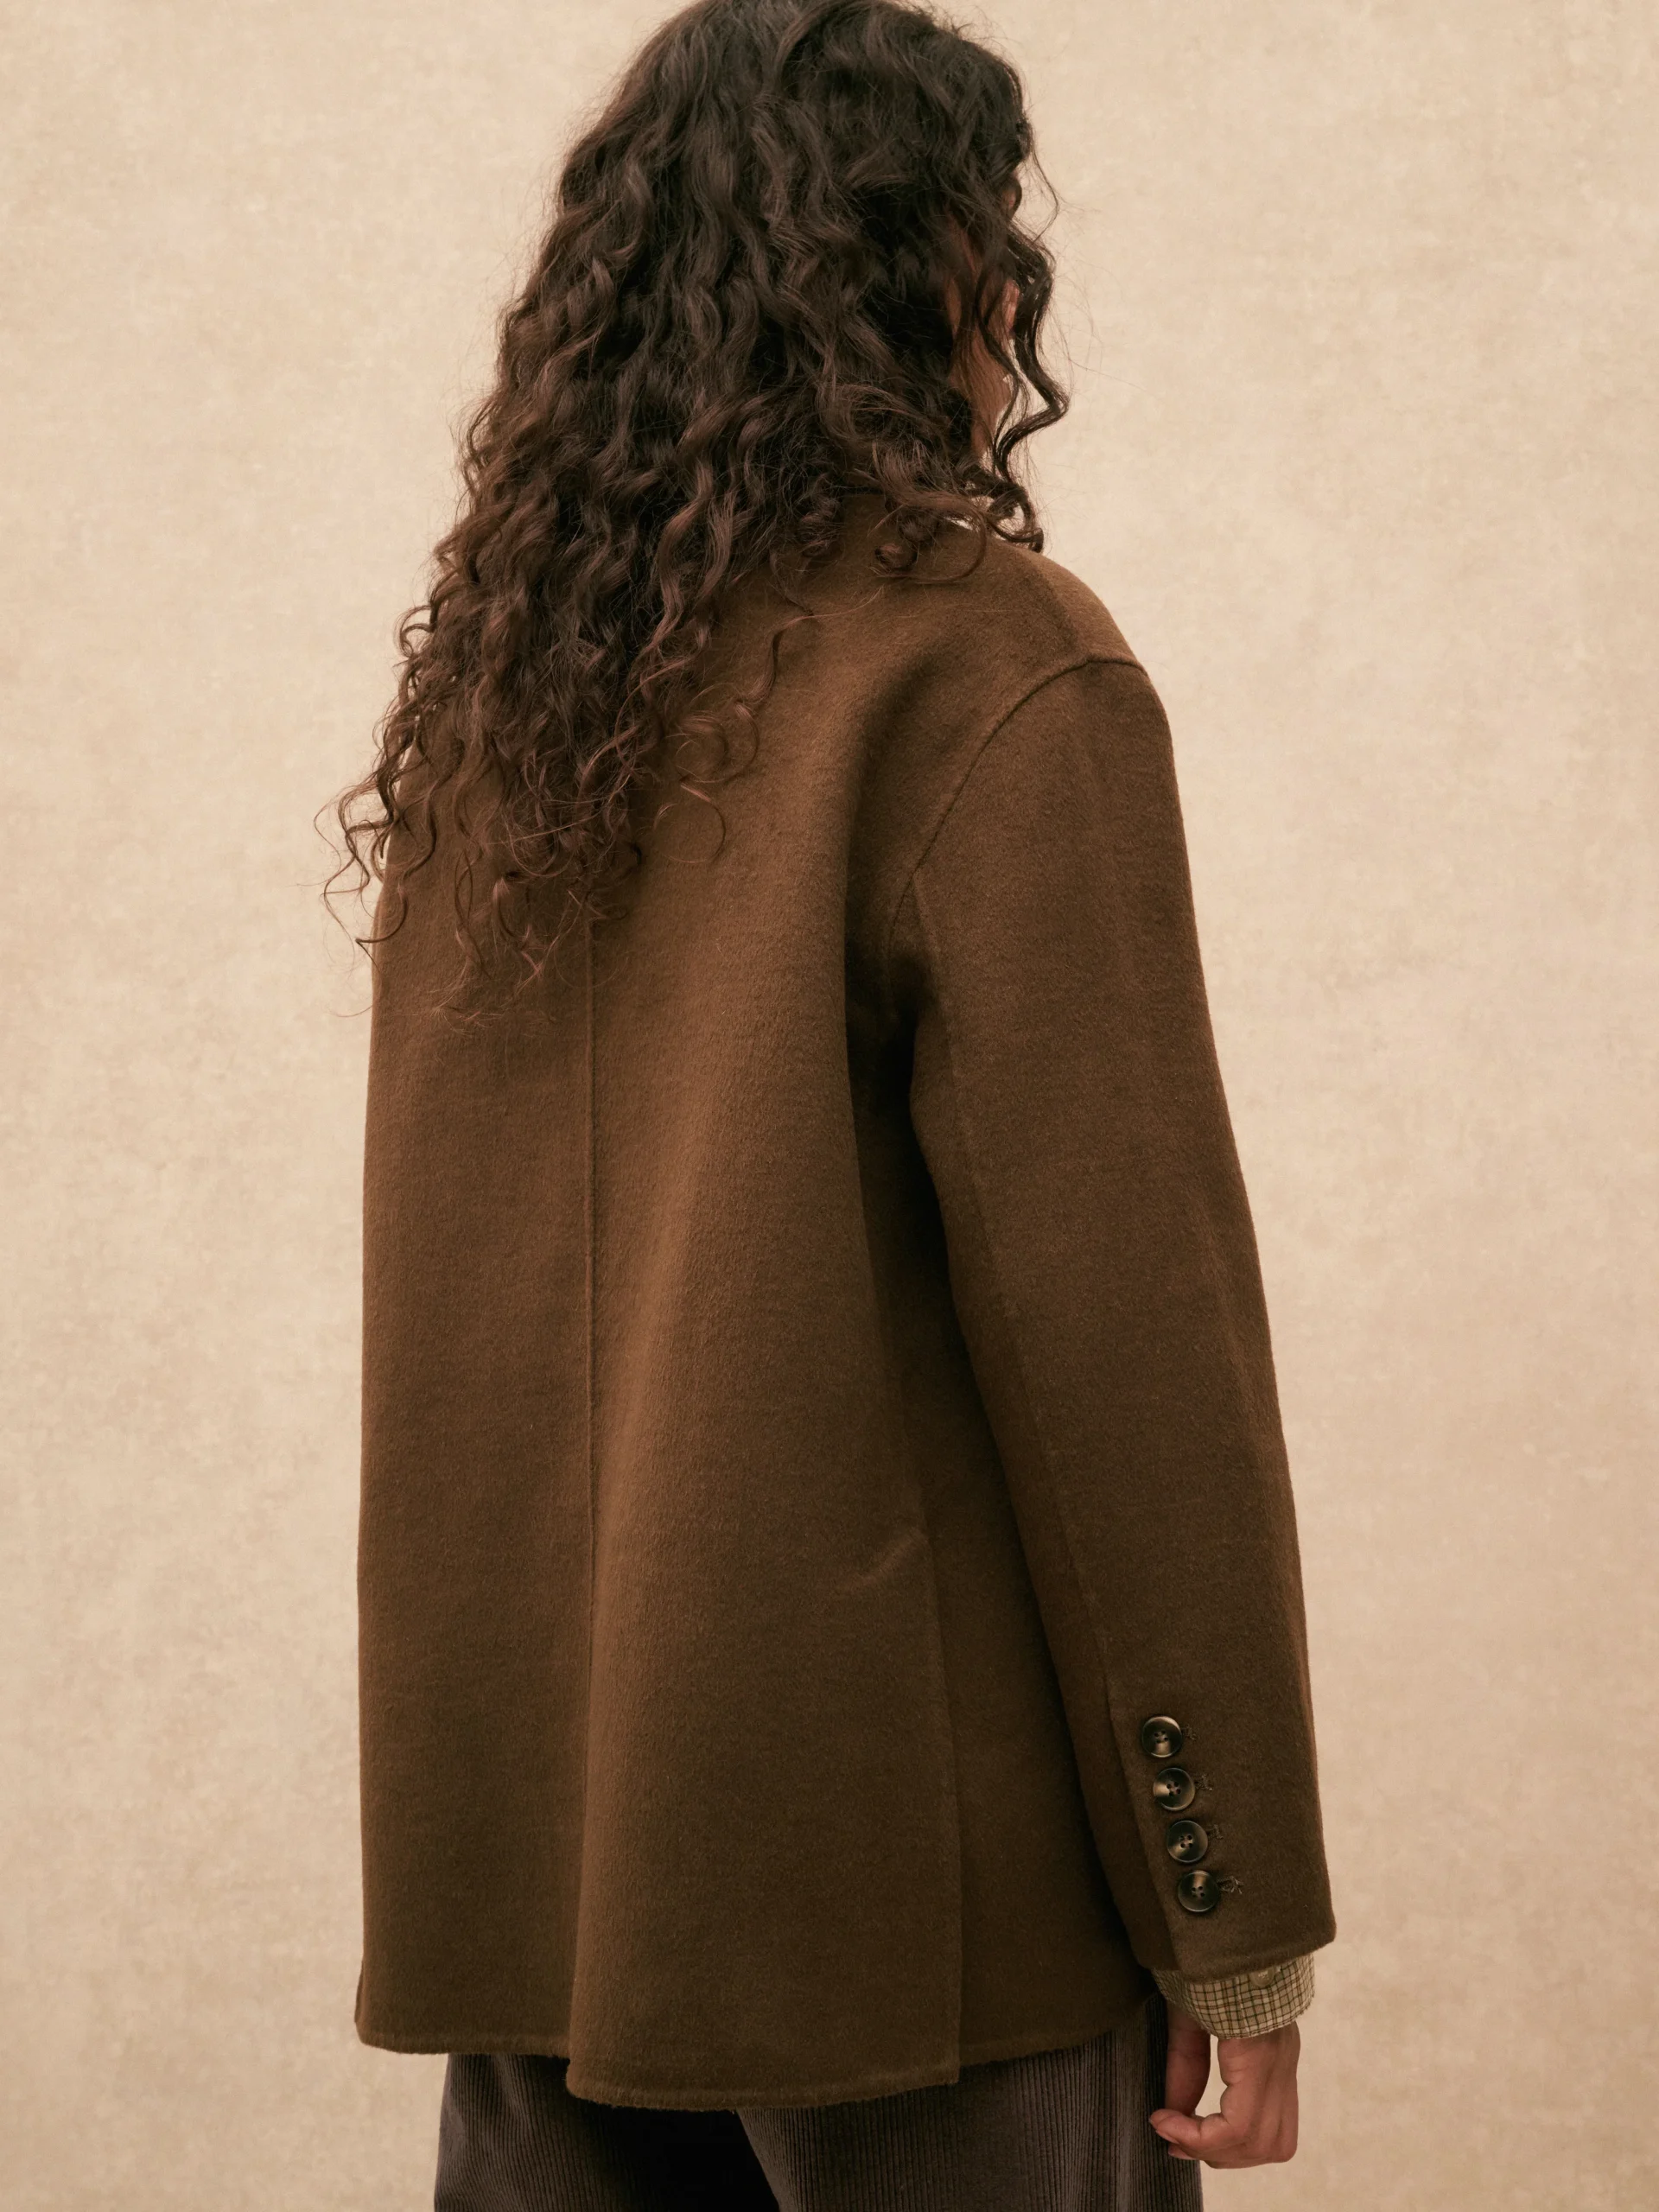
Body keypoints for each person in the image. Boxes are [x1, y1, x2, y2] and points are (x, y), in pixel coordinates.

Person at [328, 1, 1335, 2203]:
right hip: (921, 1917)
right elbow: (1125, 1354)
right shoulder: (984, 667)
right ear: (930, 274)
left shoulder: (509, 712)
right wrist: (1236, 1912)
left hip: (544, 1890)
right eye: (993, 246)